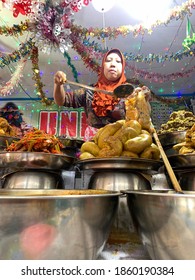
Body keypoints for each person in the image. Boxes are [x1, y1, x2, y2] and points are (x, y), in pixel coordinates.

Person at [53, 48, 151, 140]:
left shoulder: (130, 93)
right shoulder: (89, 92)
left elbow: (142, 121)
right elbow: (61, 100)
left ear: (123, 67)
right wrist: (58, 85)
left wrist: (144, 101)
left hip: (124, 147)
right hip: (93, 148)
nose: (113, 64)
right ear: (103, 66)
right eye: (108, 60)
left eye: (118, 61)